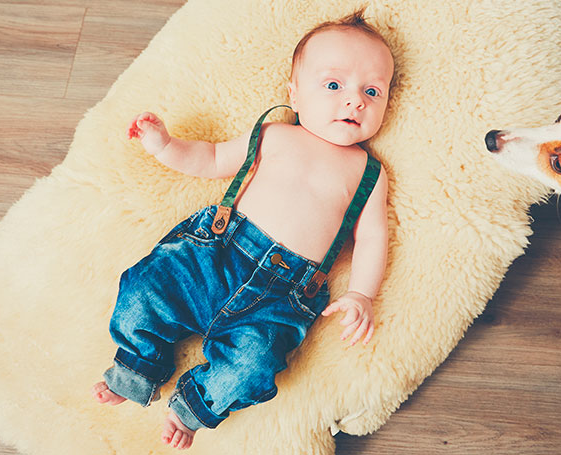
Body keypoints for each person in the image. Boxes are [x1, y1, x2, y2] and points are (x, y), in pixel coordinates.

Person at [91, 10, 392, 450]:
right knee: (144, 289)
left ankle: (195, 406)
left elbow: (372, 237)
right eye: (333, 85)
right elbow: (212, 159)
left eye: (372, 91)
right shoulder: (274, 135)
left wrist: (362, 292)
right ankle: (137, 365)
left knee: (254, 365)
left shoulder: (368, 171)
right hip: (213, 254)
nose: (355, 101)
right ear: (295, 93)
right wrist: (166, 146)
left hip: (283, 294)